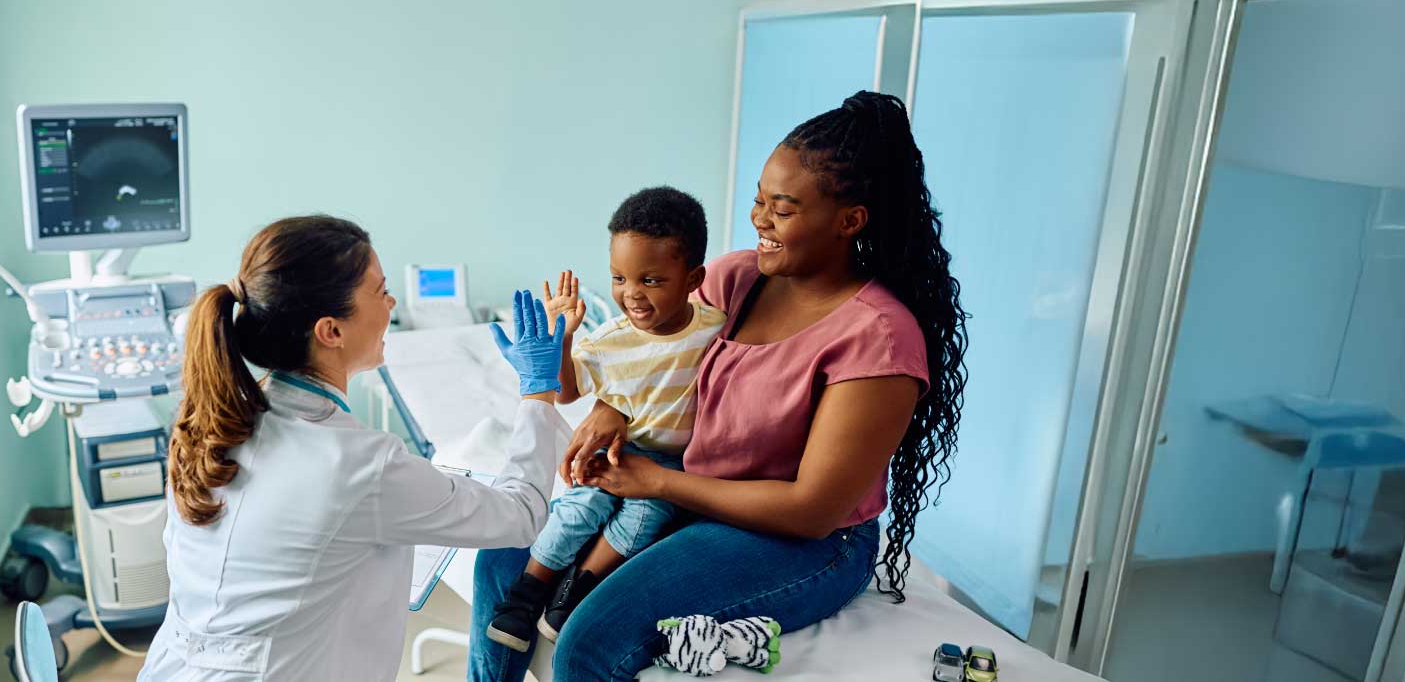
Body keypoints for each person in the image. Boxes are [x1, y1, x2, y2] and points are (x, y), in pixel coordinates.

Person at [467, 91, 969, 681]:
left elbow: (811, 510)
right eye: (759, 201)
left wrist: (658, 481)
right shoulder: (739, 278)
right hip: (688, 489)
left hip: (802, 540)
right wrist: (611, 407)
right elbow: (661, 353)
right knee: (504, 553)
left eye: (781, 209)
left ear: (849, 221)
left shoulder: (879, 339)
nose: (759, 220)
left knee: (588, 642)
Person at [139, 215, 574, 682]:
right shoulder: (360, 463)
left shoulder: (209, 424)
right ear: (331, 331)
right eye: (381, 291)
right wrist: (537, 391)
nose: (391, 303)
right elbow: (523, 513)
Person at [484, 187, 726, 651]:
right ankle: (527, 592)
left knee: (643, 518)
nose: (630, 294)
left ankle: (577, 589)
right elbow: (569, 388)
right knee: (580, 507)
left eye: (651, 280)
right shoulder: (613, 338)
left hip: (672, 464)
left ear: (693, 277)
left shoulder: (716, 329)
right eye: (618, 278)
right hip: (620, 448)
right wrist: (563, 342)